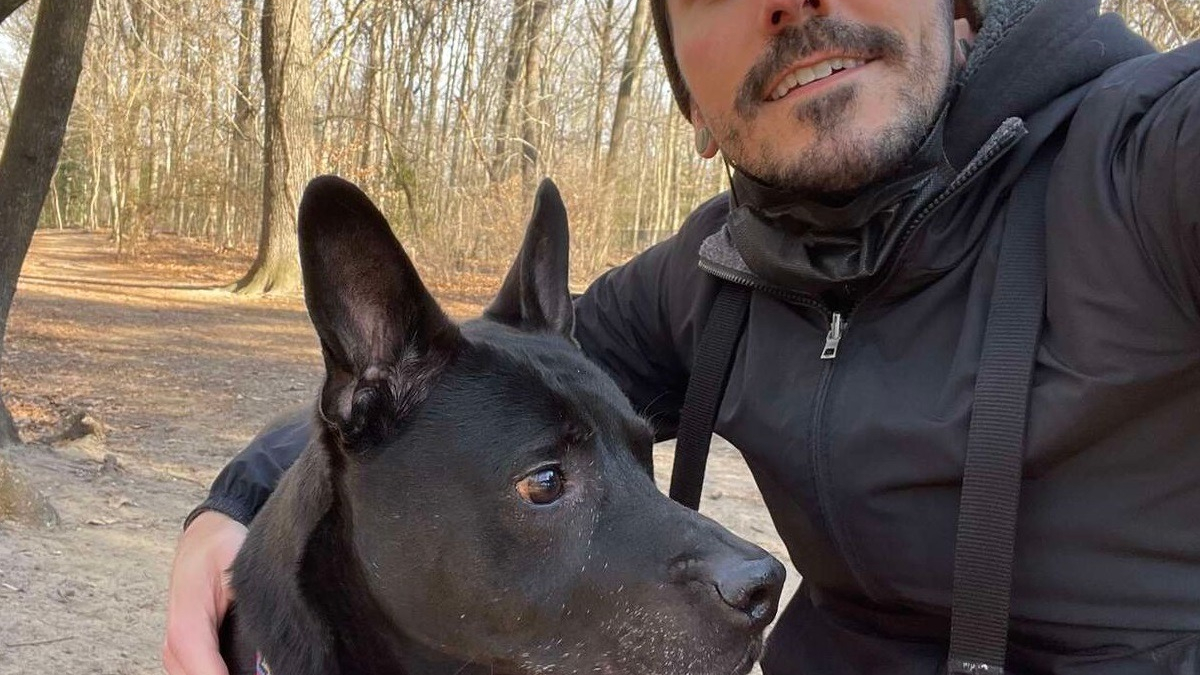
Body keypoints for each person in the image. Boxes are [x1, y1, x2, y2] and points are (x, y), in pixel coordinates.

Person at [165, 0, 1200, 672]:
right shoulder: (714, 274)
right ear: (693, 113)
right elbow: (474, 396)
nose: (792, 1)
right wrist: (242, 504)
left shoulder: (1141, 164)